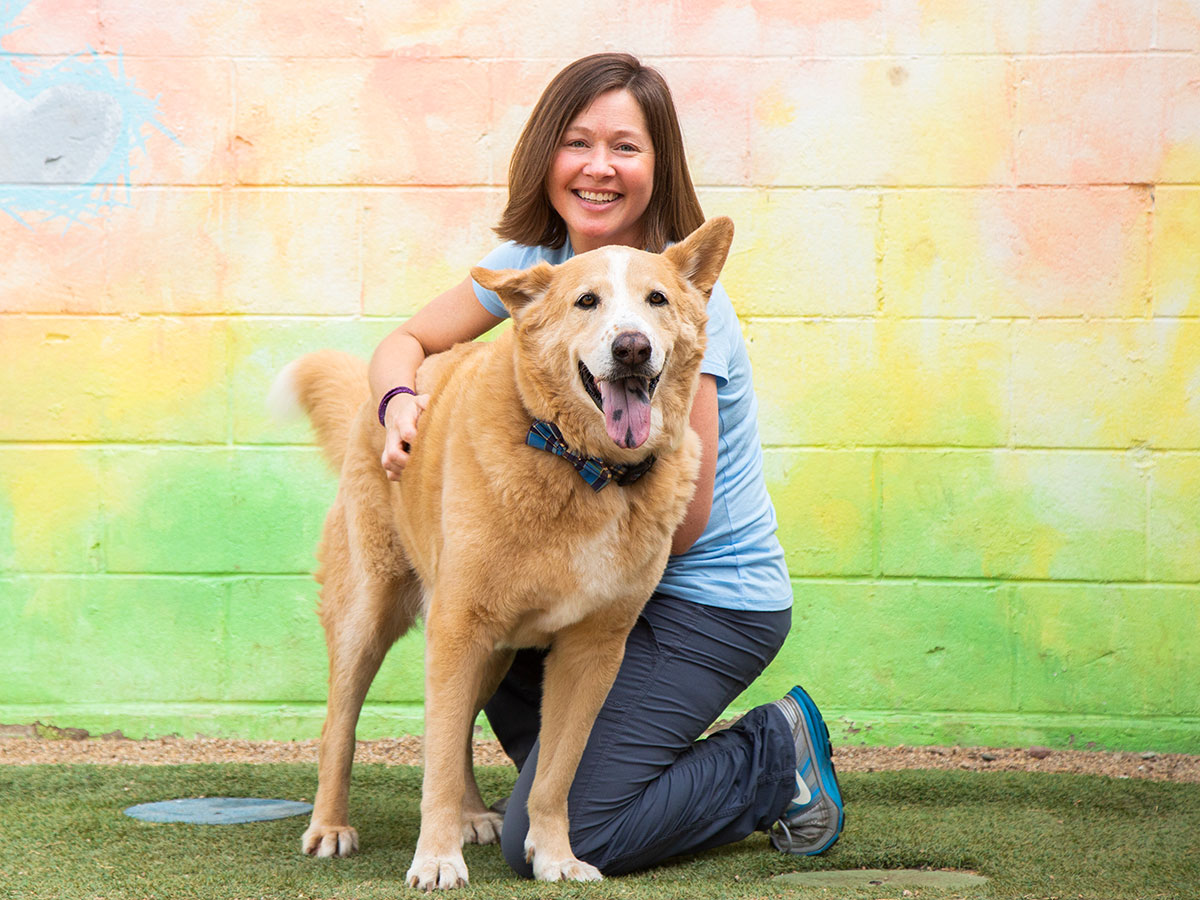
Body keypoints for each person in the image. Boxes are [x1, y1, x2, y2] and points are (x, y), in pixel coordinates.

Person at [369, 52, 844, 877]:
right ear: (546, 154)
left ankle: (774, 755)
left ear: (658, 167)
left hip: (701, 596)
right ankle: (618, 770)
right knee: (484, 634)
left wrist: (554, 552)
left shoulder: (683, 296)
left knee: (568, 834)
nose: (598, 167)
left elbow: (682, 524)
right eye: (577, 142)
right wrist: (398, 404)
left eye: (625, 147)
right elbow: (404, 342)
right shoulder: (536, 267)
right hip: (586, 576)